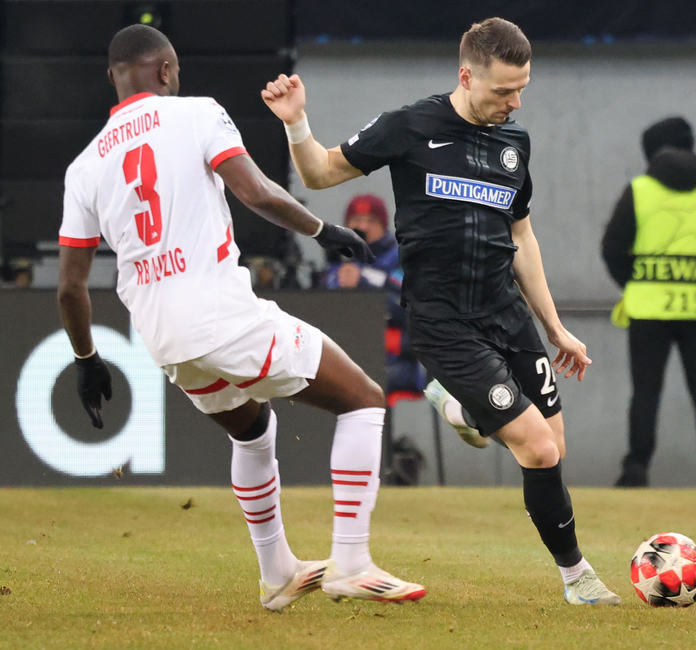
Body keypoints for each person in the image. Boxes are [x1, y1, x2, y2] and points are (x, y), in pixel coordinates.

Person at [56, 24, 425, 612]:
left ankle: (276, 570)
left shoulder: (84, 166)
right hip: (223, 317)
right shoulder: (197, 113)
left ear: (113, 78)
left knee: (253, 428)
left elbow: (71, 286)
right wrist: (323, 229)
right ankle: (351, 562)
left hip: (163, 338)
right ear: (168, 71)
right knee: (363, 400)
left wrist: (86, 360)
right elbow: (255, 191)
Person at [263, 17, 621, 605]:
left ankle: (462, 409)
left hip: (507, 313)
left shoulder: (515, 144)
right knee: (536, 446)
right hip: (444, 321)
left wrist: (555, 328)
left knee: (554, 446)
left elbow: (523, 239)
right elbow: (320, 171)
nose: (515, 101)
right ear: (466, 76)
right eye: (503, 90)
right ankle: (577, 578)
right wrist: (296, 121)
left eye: (522, 88)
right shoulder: (411, 126)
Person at [601, 116, 696, 488]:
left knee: (646, 393)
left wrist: (636, 284)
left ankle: (636, 470)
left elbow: (613, 248)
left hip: (649, 309)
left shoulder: (639, 191)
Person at [324, 194, 425, 394]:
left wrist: (363, 285)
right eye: (356, 221)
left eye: (371, 221)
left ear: (384, 225)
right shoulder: (337, 260)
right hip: (349, 352)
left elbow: (407, 309)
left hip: (395, 359)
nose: (363, 228)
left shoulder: (400, 257)